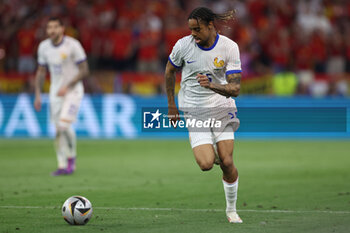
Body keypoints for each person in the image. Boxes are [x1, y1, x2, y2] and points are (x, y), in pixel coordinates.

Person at [165, 7, 243, 223]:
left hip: (221, 106)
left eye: (197, 29)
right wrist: (172, 106)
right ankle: (208, 148)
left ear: (211, 26)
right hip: (193, 109)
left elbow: (235, 88)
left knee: (227, 162)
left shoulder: (229, 47)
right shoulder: (183, 46)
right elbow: (169, 72)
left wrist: (212, 85)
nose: (193, 34)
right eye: (191, 29)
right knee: (206, 164)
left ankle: (231, 210)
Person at [34, 17, 89, 176]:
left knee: (64, 125)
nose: (52, 30)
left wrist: (68, 85)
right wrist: (37, 94)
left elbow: (84, 70)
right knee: (58, 130)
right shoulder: (43, 47)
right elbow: (41, 71)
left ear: (62, 29)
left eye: (55, 27)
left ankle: (71, 159)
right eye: (49, 27)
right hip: (55, 92)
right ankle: (61, 164)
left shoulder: (73, 45)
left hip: (73, 91)